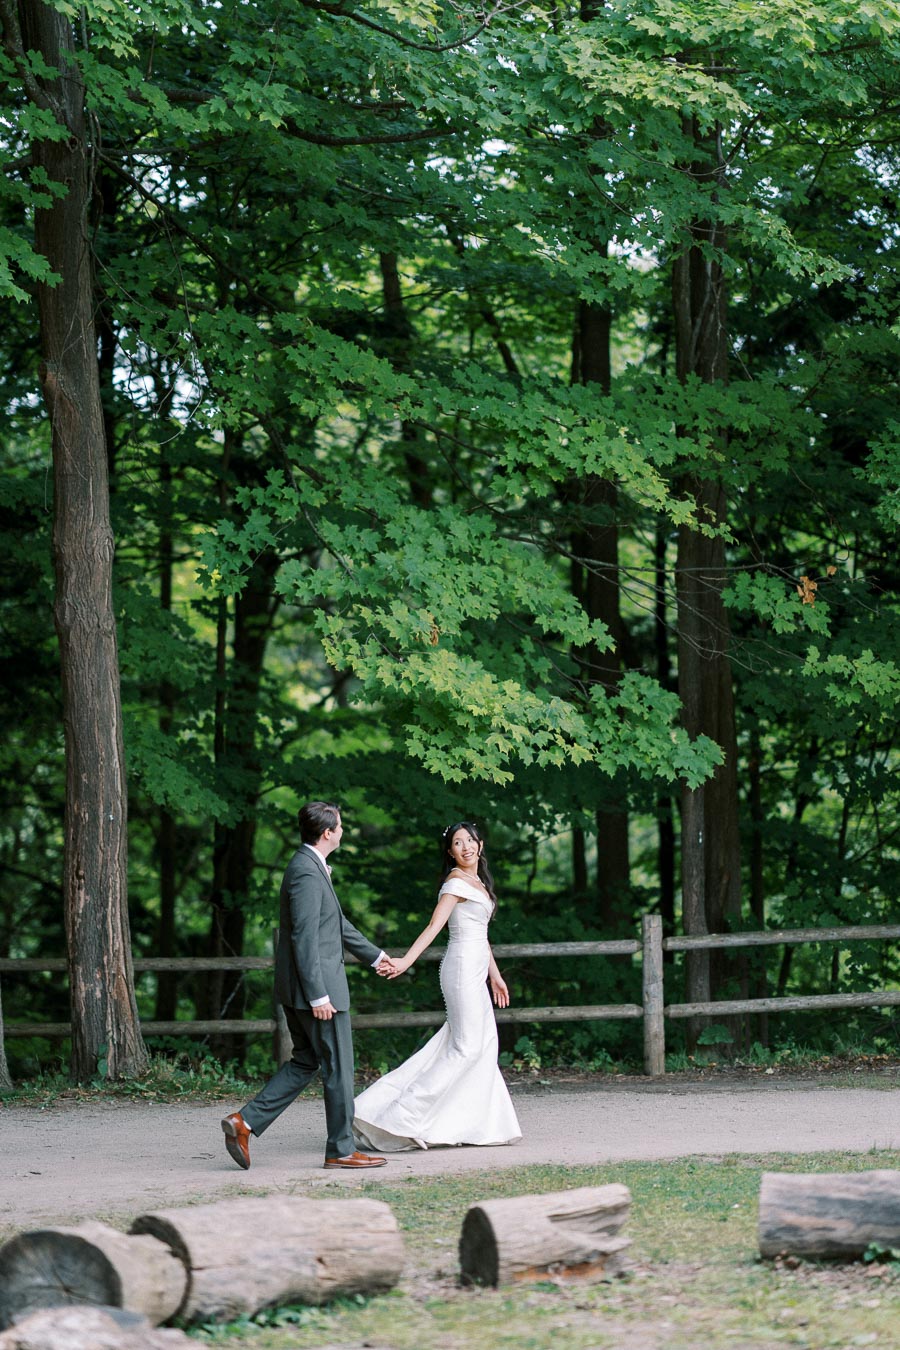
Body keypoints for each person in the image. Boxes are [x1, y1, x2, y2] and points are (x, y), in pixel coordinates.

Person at [221, 801, 394, 1170]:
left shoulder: (312, 867)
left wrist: (377, 957)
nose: (343, 831)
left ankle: (245, 1122)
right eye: (341, 826)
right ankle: (342, 1149)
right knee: (340, 1067)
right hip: (318, 991)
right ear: (328, 833)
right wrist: (319, 994)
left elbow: (337, 925)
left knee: (306, 1062)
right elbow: (302, 937)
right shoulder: (305, 870)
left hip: (305, 988)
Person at [352, 821, 522, 1151]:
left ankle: (468, 1124)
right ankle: (399, 1117)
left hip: (476, 969)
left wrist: (495, 975)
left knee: (481, 1043)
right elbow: (433, 927)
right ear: (450, 852)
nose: (466, 847)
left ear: (480, 845)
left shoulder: (479, 883)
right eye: (458, 843)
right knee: (465, 1047)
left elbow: (481, 937)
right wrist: (405, 961)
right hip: (459, 970)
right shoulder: (456, 882)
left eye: (470, 841)